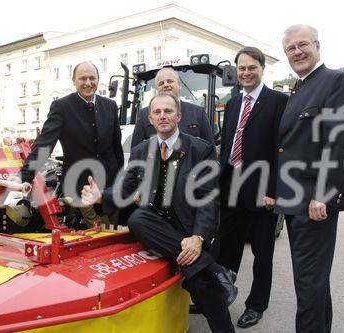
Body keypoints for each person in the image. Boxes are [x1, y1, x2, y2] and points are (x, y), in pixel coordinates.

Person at [82, 93, 237, 333]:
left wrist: (198, 238)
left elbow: (208, 199)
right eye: (157, 112)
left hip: (190, 227)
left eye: (168, 111)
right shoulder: (142, 151)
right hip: (158, 228)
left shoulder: (201, 149)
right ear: (150, 120)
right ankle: (213, 269)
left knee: (200, 284)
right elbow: (126, 187)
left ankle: (207, 275)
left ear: (179, 116)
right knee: (137, 219)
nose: (163, 116)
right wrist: (101, 196)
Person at [275, 24, 344, 333]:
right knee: (312, 280)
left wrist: (323, 193)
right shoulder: (299, 88)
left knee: (309, 282)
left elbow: (340, 142)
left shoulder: (336, 81)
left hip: (315, 200)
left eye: (302, 45)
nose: (296, 52)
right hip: (296, 200)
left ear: (317, 45)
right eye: (290, 49)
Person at [217, 47, 288, 328]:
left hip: (262, 191)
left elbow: (281, 150)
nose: (246, 73)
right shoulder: (233, 103)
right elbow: (227, 145)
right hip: (231, 187)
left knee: (262, 253)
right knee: (226, 248)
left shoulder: (278, 101)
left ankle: (256, 305)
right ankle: (221, 293)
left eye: (251, 67)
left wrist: (274, 191)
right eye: (242, 68)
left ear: (262, 68)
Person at [20, 61, 124, 226]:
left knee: (113, 229)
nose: (88, 83)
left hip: (110, 184)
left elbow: (116, 147)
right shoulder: (62, 107)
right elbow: (45, 144)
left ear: (98, 79)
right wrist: (25, 176)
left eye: (92, 78)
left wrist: (120, 180)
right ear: (74, 81)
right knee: (99, 231)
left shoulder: (110, 106)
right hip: (80, 184)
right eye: (83, 78)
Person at [131, 67, 214, 148]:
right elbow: (135, 151)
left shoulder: (198, 113)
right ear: (157, 89)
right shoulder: (144, 114)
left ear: (179, 85)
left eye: (170, 81)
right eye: (161, 83)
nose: (166, 85)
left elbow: (210, 150)